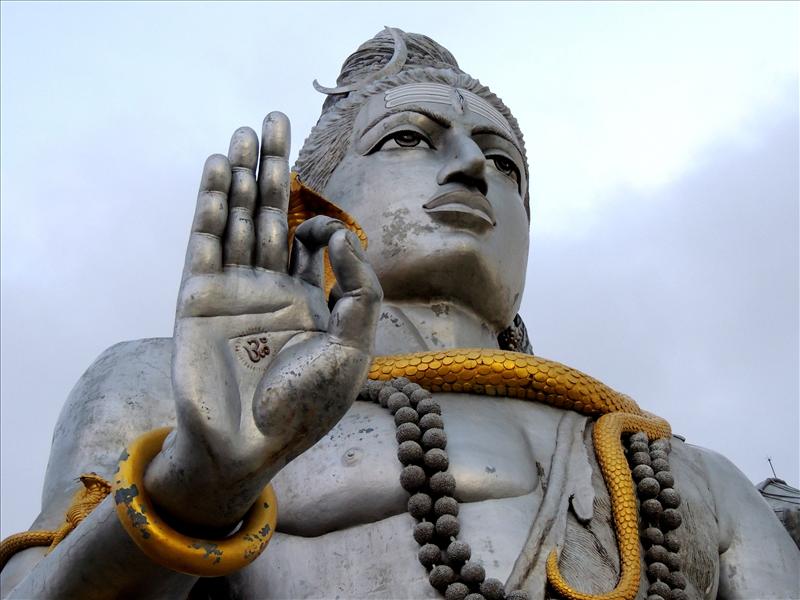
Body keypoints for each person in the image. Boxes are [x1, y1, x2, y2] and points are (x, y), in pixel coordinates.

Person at [1, 28, 797, 600]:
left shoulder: (680, 475)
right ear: (309, 200)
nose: (471, 172)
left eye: (505, 163)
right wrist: (191, 492)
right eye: (410, 138)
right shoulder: (178, 386)